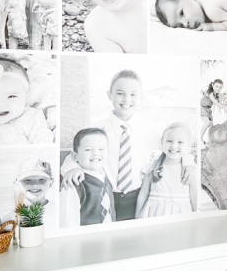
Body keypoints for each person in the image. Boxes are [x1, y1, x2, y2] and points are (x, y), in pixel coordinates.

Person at [61, 70, 195, 221]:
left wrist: (189, 162)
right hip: (104, 196)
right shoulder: (97, 129)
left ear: (141, 97)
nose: (126, 99)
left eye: (133, 94)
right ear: (109, 95)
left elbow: (175, 146)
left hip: (138, 197)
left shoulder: (151, 129)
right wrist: (72, 168)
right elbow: (74, 156)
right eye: (120, 93)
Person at [0, 56, 53, 145]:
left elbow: (44, 144)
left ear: (26, 96)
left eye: (11, 96)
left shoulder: (31, 117)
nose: (1, 105)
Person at [135, 123, 198, 218]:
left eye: (180, 142)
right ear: (162, 142)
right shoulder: (152, 167)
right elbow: (143, 194)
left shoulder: (189, 170)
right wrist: (137, 216)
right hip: (154, 213)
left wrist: (196, 217)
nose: (174, 146)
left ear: (188, 145)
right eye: (169, 141)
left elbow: (194, 196)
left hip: (181, 214)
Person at [60, 128, 115, 227]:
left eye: (101, 149)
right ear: (75, 156)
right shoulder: (74, 184)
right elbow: (68, 223)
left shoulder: (105, 175)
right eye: (88, 149)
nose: (96, 153)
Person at [15, 157, 57, 229]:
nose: (34, 185)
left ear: (51, 182)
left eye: (41, 180)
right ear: (17, 183)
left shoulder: (57, 210)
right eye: (28, 180)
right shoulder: (10, 218)